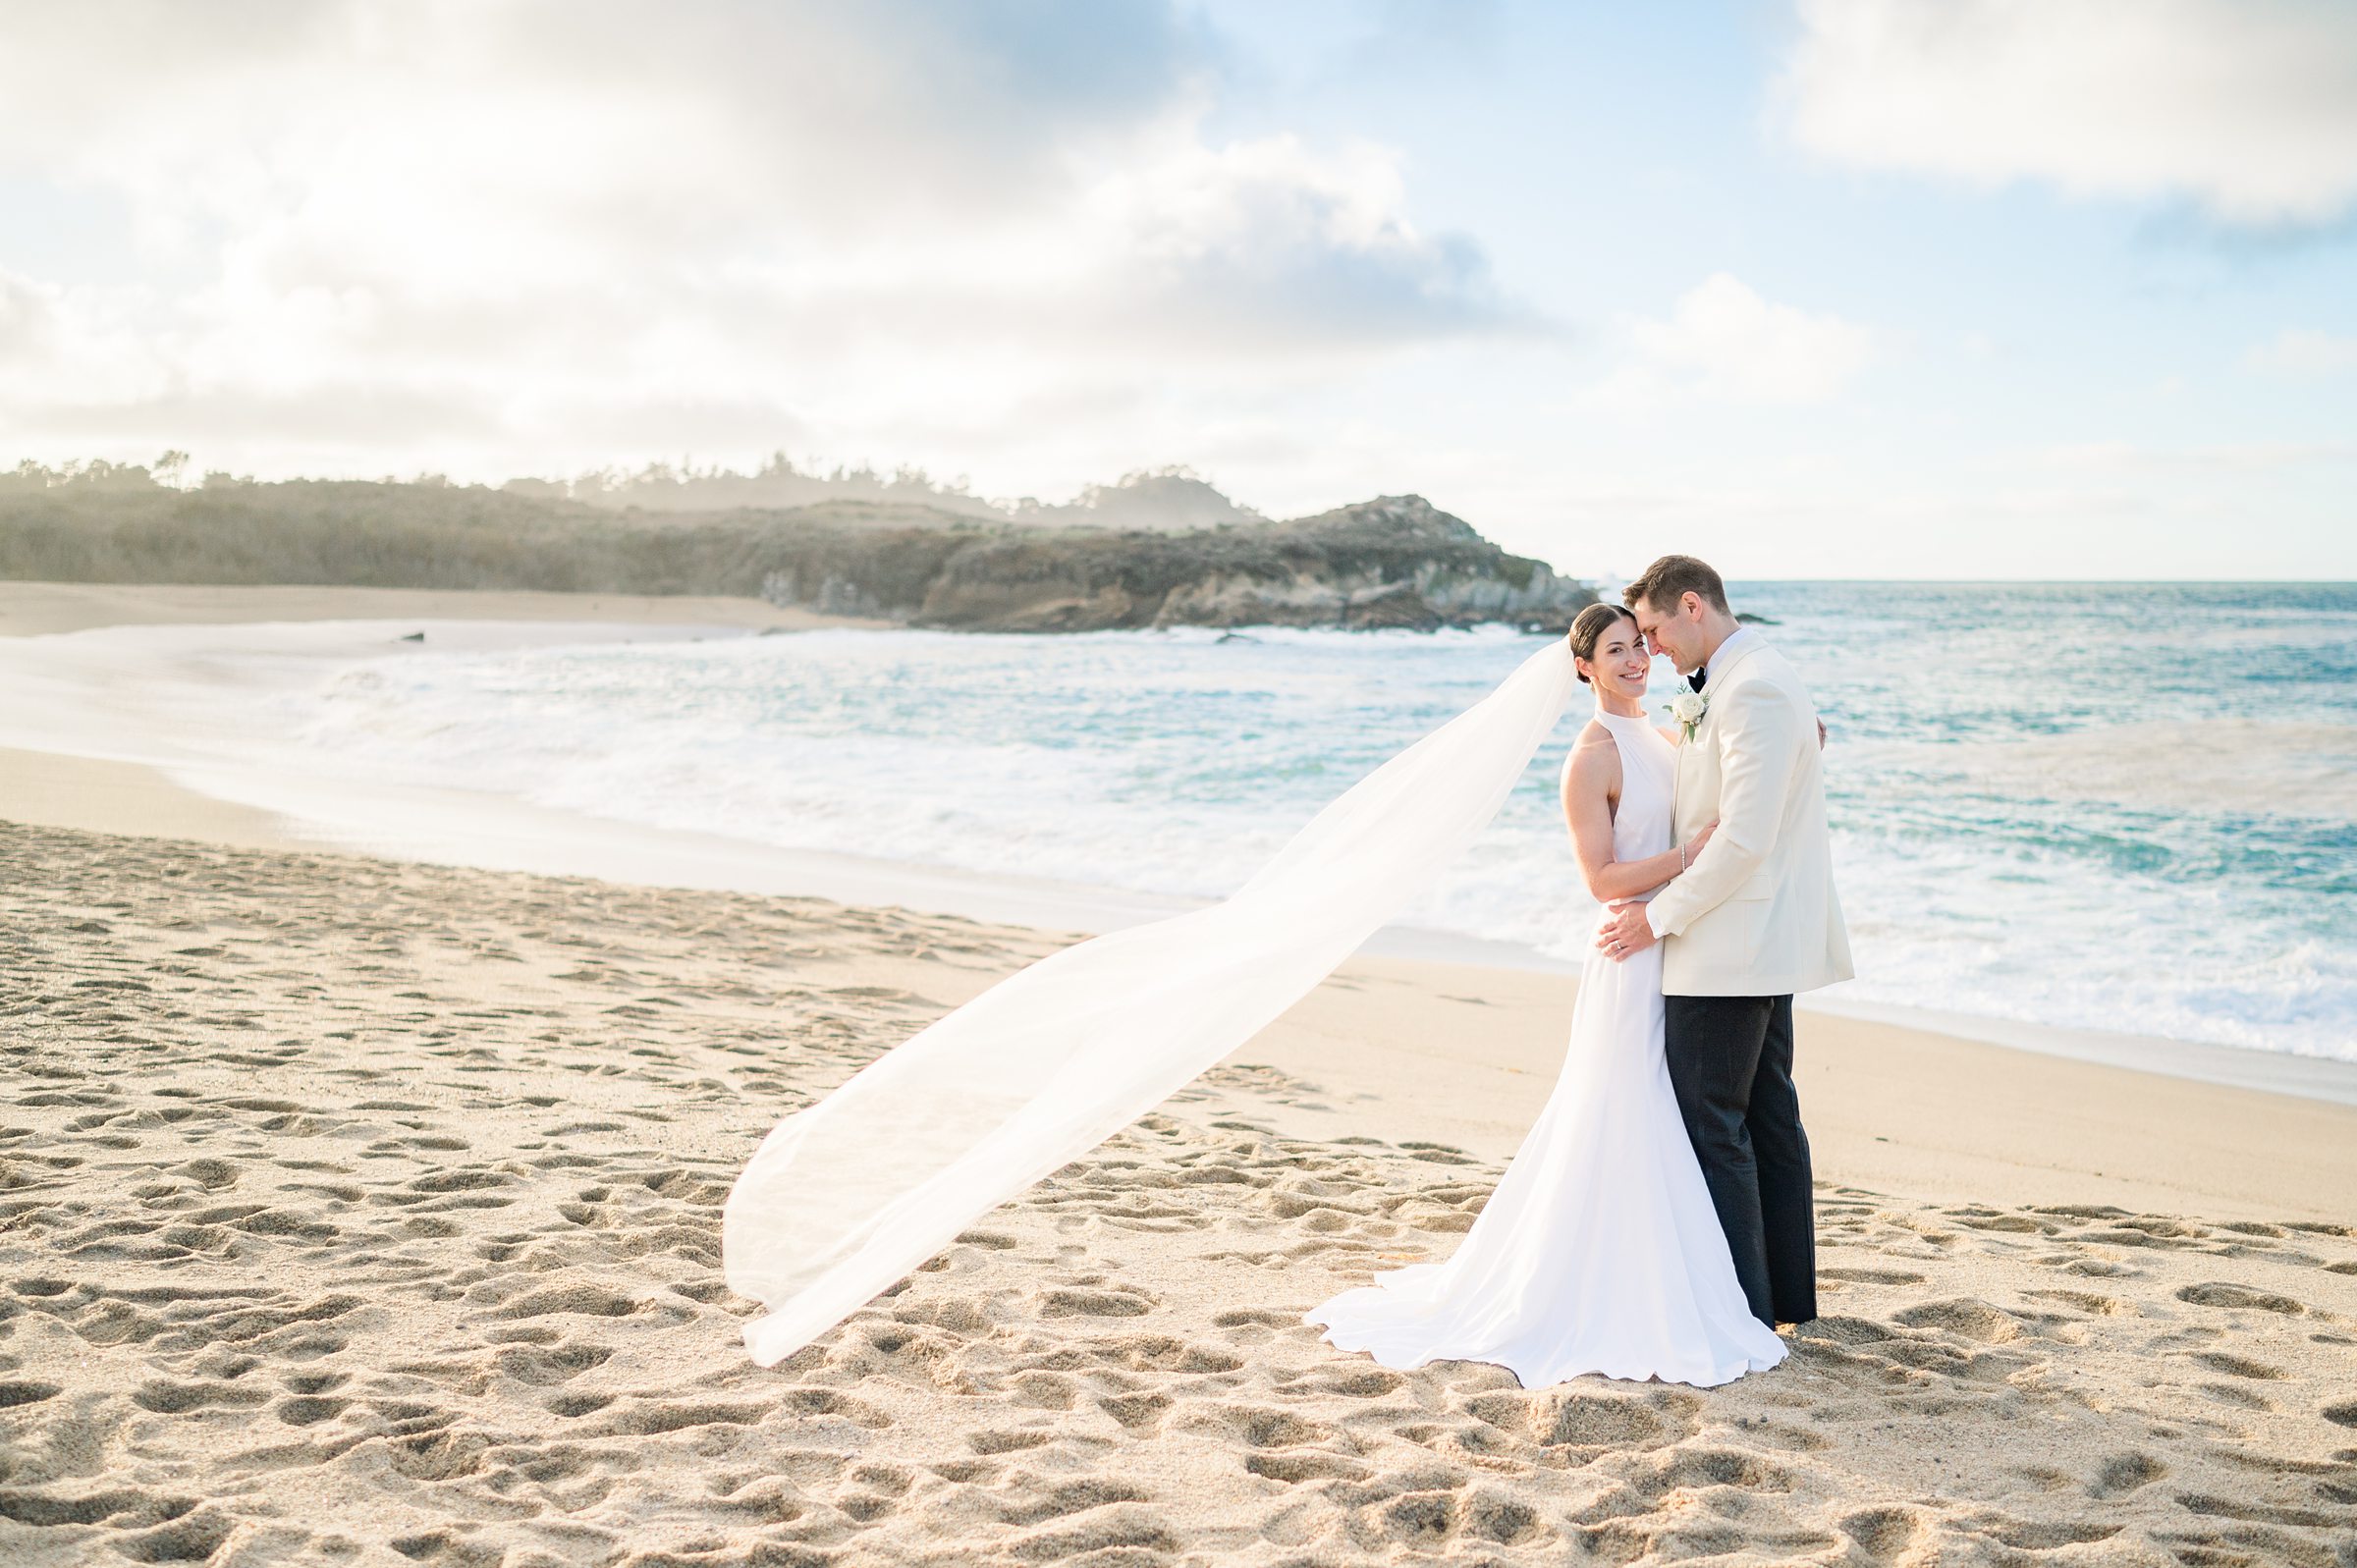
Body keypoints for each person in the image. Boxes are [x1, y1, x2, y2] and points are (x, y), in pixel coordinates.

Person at [1298, 602, 1790, 1387]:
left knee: (1666, 1113)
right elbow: (1602, 879)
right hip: (1629, 952)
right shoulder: (1592, 755)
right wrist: (1686, 858)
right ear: (1584, 667)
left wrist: (1796, 739)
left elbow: (1728, 782)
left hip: (1673, 941)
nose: (1635, 660)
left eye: (1640, 645)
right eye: (1616, 650)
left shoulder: (1668, 734)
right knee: (1625, 1110)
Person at [1596, 556, 1852, 1328]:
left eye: (1653, 629)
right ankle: (1781, 1302)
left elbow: (1742, 840)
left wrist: (1656, 917)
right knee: (1765, 1117)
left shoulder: (1753, 687)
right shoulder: (1750, 680)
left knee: (1716, 1124)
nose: (1652, 648)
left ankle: (1741, 1311)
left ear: (1691, 605)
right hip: (1752, 942)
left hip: (1728, 947)